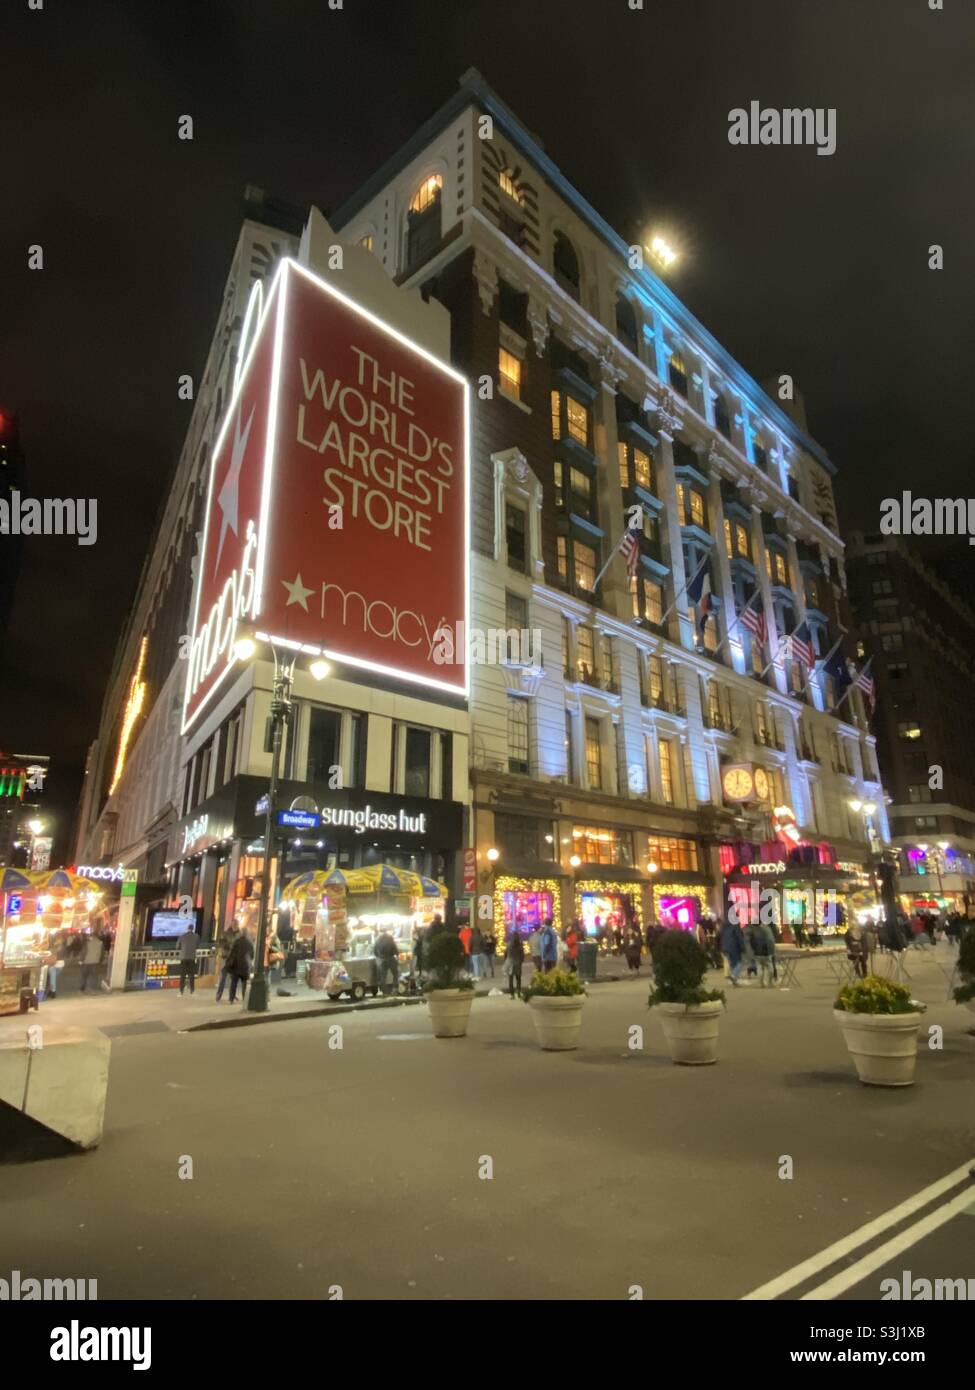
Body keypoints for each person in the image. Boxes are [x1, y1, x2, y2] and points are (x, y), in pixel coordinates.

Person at [226, 929, 254, 1004]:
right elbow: (252, 955)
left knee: (233, 983)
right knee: (244, 984)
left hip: (236, 965)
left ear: (241, 934)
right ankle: (245, 999)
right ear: (247, 934)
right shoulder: (249, 943)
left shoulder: (236, 942)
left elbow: (231, 953)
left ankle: (231, 999)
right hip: (245, 966)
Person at [177, 918, 201, 995]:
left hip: (184, 957)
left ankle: (181, 991)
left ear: (187, 928)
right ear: (193, 929)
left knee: (182, 975)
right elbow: (197, 946)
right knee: (191, 975)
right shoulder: (196, 936)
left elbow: (177, 946)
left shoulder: (182, 936)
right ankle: (192, 990)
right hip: (192, 958)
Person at [215, 925, 240, 1001]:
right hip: (226, 958)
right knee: (223, 978)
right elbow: (221, 944)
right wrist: (229, 945)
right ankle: (219, 995)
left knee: (234, 979)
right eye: (235, 924)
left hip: (234, 959)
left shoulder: (239, 934)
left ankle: (232, 995)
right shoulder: (226, 933)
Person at [746, 920, 773, 987]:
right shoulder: (766, 929)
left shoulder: (752, 932)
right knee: (769, 965)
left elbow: (750, 942)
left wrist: (753, 951)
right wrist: (772, 949)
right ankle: (770, 982)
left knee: (759, 967)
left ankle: (761, 983)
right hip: (766, 951)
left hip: (757, 952)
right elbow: (770, 940)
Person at [719, 916, 744, 986]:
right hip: (734, 947)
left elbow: (720, 936)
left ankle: (734, 981)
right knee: (740, 963)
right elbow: (739, 937)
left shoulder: (724, 926)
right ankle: (733, 976)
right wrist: (743, 947)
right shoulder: (736, 926)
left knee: (733, 964)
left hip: (725, 947)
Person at [374, 930, 399, 995]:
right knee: (395, 974)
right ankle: (394, 989)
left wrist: (379, 956)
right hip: (390, 958)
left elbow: (375, 951)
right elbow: (394, 947)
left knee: (383, 976)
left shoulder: (378, 939)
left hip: (382, 959)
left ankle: (384, 992)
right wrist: (397, 954)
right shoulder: (390, 937)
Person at [503, 931, 525, 997]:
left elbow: (505, 953)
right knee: (518, 979)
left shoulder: (509, 944)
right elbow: (522, 954)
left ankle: (512, 994)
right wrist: (521, 961)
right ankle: (518, 992)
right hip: (518, 962)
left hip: (510, 962)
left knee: (510, 978)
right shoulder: (520, 944)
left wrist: (505, 961)